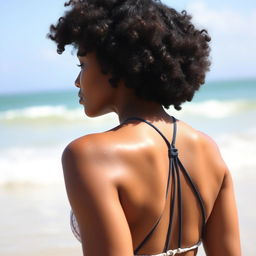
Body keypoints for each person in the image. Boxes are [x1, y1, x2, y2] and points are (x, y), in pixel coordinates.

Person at [48, 0, 241, 255]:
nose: (76, 81)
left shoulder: (89, 154)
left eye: (82, 65)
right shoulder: (207, 149)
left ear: (116, 65)